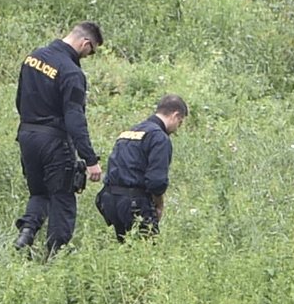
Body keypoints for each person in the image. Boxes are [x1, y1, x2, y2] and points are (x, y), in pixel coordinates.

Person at [14, 21, 105, 254]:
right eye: (91, 51)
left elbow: (19, 99)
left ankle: (25, 236)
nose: (89, 55)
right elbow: (75, 119)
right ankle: (55, 256)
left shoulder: (33, 57)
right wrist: (90, 159)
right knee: (62, 198)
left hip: (27, 135)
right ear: (85, 43)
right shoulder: (71, 72)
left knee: (39, 192)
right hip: (54, 142)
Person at [95, 95, 188, 241]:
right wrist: (159, 206)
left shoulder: (129, 132)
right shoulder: (159, 138)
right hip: (134, 203)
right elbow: (156, 182)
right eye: (180, 123)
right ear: (175, 115)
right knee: (145, 252)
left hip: (109, 200)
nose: (177, 129)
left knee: (124, 250)